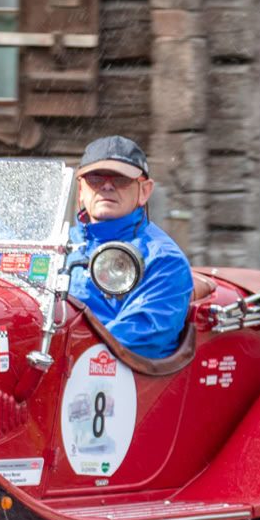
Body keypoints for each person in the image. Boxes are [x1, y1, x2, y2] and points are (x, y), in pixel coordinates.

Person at [67, 136, 194, 359]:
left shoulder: (164, 260)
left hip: (106, 371)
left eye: (121, 179)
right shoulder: (58, 244)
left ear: (145, 191)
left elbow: (134, 339)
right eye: (95, 179)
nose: (107, 186)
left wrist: (61, 347)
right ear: (81, 191)